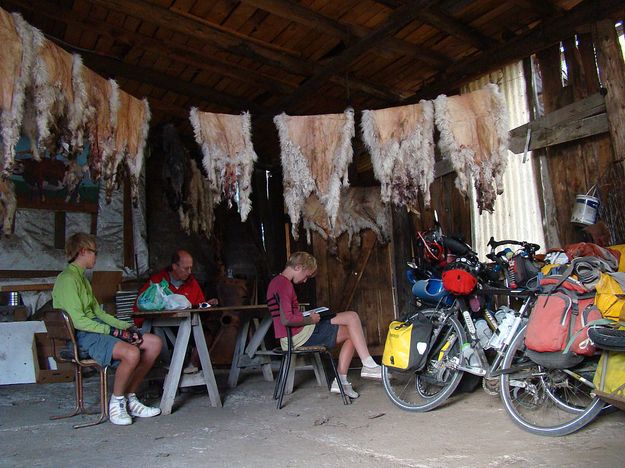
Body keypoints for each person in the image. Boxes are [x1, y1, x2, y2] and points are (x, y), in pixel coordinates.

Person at [52, 232, 163, 426]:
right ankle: (117, 402)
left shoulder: (83, 280)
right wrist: (112, 332)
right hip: (83, 335)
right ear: (83, 251)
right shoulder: (67, 280)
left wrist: (126, 327)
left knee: (153, 343)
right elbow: (78, 321)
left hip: (96, 329)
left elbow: (99, 313)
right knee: (131, 353)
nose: (96, 257)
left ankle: (131, 397)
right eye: (94, 252)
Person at [266, 251, 382, 399]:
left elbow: (287, 316)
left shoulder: (276, 282)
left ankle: (342, 381)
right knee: (352, 317)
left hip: (295, 335)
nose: (305, 280)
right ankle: (367, 366)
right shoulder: (284, 285)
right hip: (298, 336)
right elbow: (287, 320)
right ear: (298, 267)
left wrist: (306, 316)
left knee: (352, 331)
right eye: (307, 275)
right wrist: (310, 320)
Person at [134, 249, 218, 373]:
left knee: (207, 334)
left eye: (191, 268)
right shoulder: (157, 282)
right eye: (186, 268)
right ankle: (174, 367)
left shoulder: (192, 282)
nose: (189, 272)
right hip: (161, 329)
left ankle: (191, 367)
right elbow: (140, 308)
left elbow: (198, 305)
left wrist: (208, 305)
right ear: (174, 266)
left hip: (186, 326)